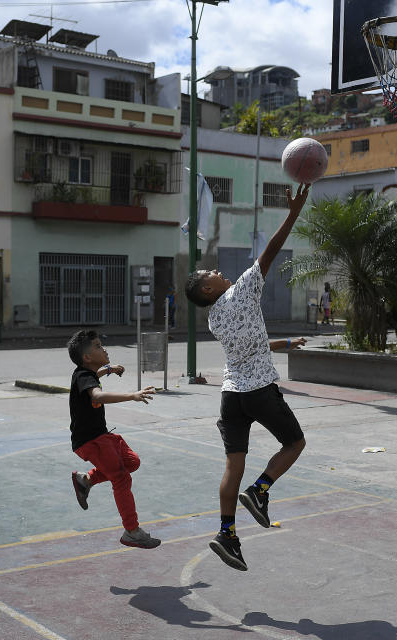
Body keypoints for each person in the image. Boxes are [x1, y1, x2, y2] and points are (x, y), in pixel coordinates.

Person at [185, 184, 311, 571]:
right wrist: (293, 213)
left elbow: (251, 345)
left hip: (231, 395)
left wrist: (286, 341)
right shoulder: (241, 291)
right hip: (258, 390)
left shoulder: (213, 318)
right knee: (294, 443)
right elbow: (270, 251)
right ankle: (260, 491)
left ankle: (227, 533)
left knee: (231, 466)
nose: (218, 271)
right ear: (208, 288)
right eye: (211, 272)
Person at [67, 329, 161, 549]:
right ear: (87, 357)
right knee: (121, 478)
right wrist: (132, 395)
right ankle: (132, 531)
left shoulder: (86, 374)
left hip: (102, 436)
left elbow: (93, 378)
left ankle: (86, 480)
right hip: (90, 441)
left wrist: (108, 369)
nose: (104, 348)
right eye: (98, 346)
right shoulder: (82, 376)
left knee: (131, 462)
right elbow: (97, 396)